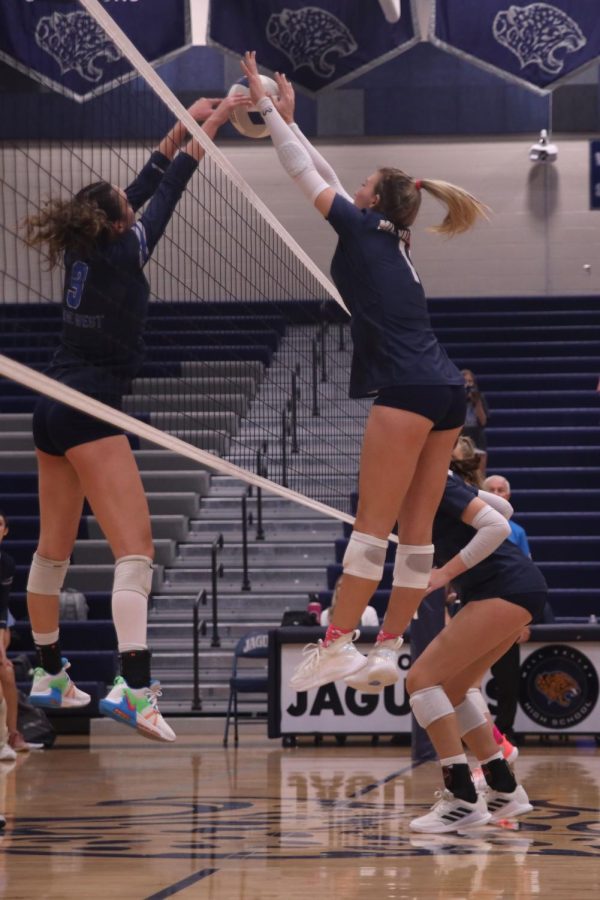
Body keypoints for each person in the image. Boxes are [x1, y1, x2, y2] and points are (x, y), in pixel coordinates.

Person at [239, 52, 489, 694]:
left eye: (362, 185)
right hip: (444, 391)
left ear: (373, 199)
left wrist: (270, 113)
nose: (351, 190)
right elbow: (325, 172)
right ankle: (388, 648)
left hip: (406, 388)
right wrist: (291, 122)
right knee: (415, 535)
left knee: (373, 525)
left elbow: (304, 173)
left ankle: (335, 646)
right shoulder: (391, 236)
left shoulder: (362, 231)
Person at [22, 92, 251, 743]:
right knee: (137, 553)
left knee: (52, 552)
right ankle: (132, 685)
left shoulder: (84, 246)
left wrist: (172, 136)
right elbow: (169, 190)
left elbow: (139, 187)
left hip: (50, 409)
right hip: (91, 407)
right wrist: (214, 122)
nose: (133, 204)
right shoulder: (125, 254)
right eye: (127, 207)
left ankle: (47, 673)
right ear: (121, 224)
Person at [403, 447, 548, 832]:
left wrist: (443, 574)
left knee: (419, 681)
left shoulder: (431, 481)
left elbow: (498, 527)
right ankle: (503, 788)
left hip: (503, 587)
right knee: (453, 688)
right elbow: (506, 512)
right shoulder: (443, 482)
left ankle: (462, 797)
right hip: (517, 586)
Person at [483, 474, 530, 557]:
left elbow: (525, 565)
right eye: (491, 490)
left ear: (508, 496)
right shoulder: (471, 527)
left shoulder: (518, 532)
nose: (495, 494)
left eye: (500, 490)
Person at [461, 369, 488, 472]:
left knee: (479, 474)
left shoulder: (479, 398)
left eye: (470, 381)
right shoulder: (455, 398)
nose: (468, 384)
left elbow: (483, 421)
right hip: (461, 436)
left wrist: (476, 402)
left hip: (477, 437)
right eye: (465, 381)